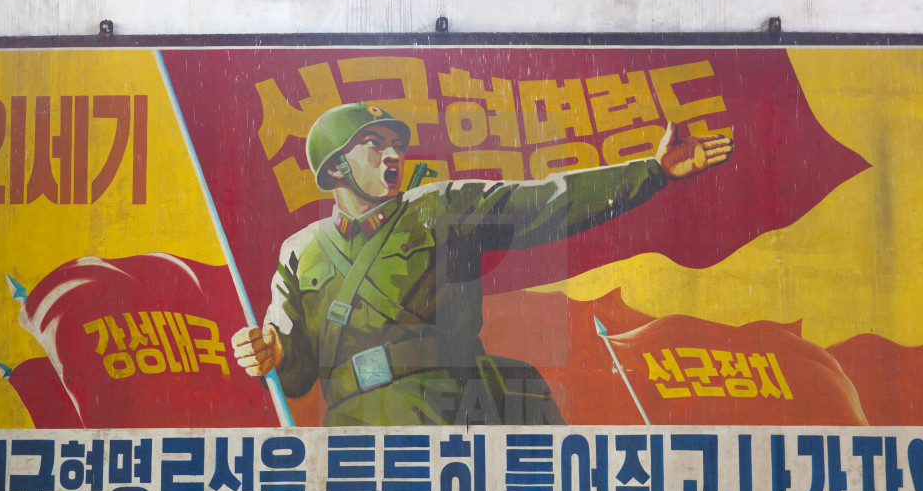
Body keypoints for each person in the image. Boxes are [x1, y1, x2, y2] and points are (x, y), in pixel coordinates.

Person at [232, 102, 733, 426]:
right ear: (336, 166)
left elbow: (548, 202)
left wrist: (651, 172)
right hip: (354, 430)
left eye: (396, 146)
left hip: (443, 410)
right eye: (374, 144)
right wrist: (267, 350)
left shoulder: (437, 207)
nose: (393, 156)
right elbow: (293, 371)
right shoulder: (300, 251)